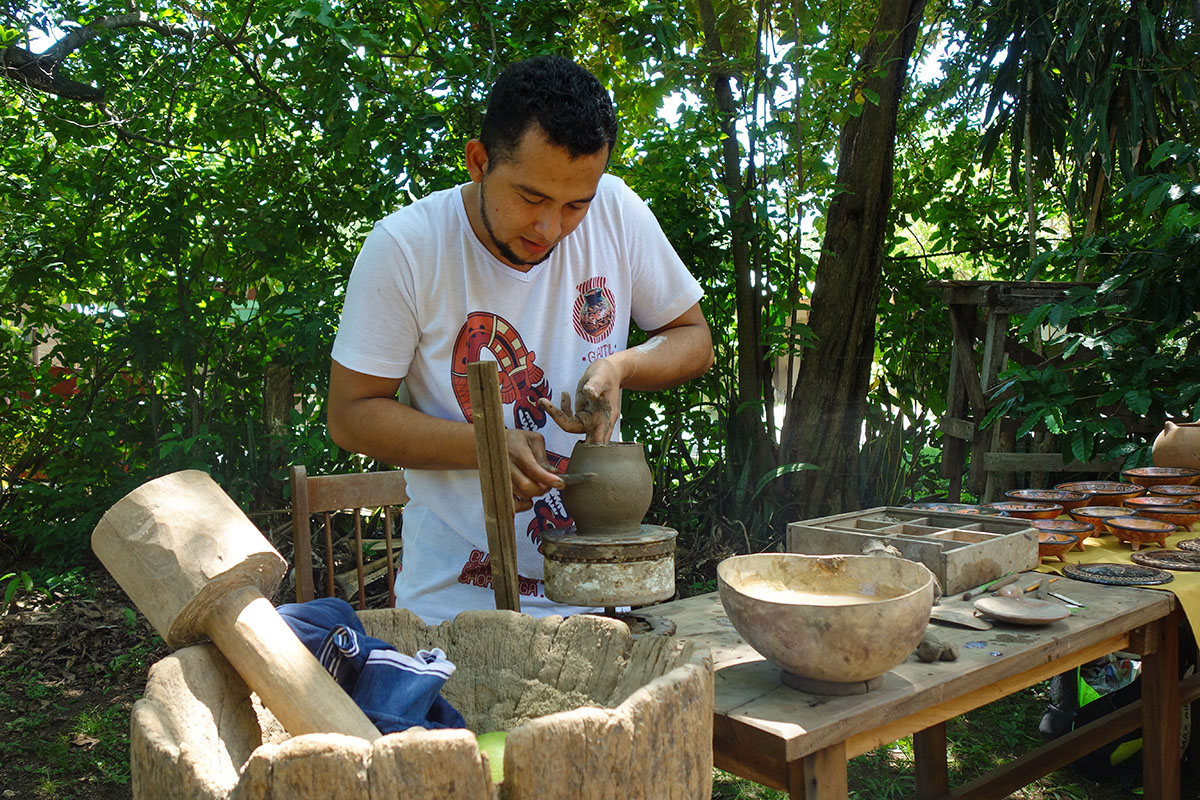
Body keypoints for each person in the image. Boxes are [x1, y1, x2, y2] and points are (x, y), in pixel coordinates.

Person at [327, 55, 713, 624]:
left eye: (575, 204)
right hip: (456, 605)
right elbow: (351, 415)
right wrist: (484, 446)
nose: (550, 229)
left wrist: (621, 366)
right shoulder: (408, 250)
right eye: (531, 198)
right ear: (479, 161)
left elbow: (692, 338)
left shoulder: (618, 213)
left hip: (599, 594)